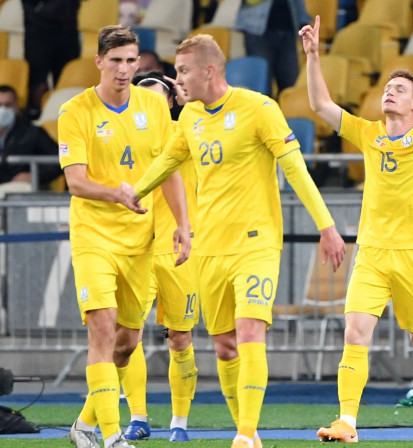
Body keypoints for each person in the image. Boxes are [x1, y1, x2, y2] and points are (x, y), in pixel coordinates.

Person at [121, 34, 346, 448]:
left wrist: (326, 225)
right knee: (224, 347)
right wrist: (134, 192)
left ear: (209, 70)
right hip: (208, 248)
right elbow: (168, 160)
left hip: (256, 244)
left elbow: (294, 168)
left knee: (249, 332)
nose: (177, 79)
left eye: (183, 70)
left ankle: (242, 435)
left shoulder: (260, 108)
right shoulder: (189, 118)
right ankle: (252, 432)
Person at [301, 15, 413, 444]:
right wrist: (313, 56)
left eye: (398, 89)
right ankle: (347, 422)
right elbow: (321, 106)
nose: (389, 93)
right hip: (374, 252)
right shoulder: (368, 134)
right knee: (355, 333)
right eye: (386, 89)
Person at [59, 25, 191, 448]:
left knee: (125, 343)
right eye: (115, 60)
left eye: (130, 61)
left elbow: (168, 171)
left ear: (139, 63)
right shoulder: (74, 111)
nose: (123, 69)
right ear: (99, 61)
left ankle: (84, 423)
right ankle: (112, 436)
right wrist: (115, 193)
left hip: (140, 240)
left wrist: (183, 226)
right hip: (93, 236)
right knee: (102, 327)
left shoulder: (153, 107)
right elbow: (75, 182)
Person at [118, 71, 199, 443]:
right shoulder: (123, 137)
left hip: (179, 250)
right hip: (136, 248)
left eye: (157, 98)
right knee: (127, 336)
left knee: (180, 338)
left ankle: (179, 425)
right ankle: (138, 417)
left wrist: (191, 102)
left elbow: (211, 119)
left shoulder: (190, 133)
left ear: (170, 103)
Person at [0, 85, 60, 191]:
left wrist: (34, 175)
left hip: (19, 192)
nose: (3, 109)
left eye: (8, 105)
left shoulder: (33, 133)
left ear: (16, 106)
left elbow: (59, 159)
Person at [235, 0, 311, 93]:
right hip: (257, 32)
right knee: (262, 85)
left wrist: (303, 22)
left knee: (290, 85)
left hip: (288, 30)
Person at [22, 0, 82, 117]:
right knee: (38, 80)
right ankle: (37, 116)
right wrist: (40, 10)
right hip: (38, 28)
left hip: (68, 28)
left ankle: (67, 116)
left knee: (66, 78)